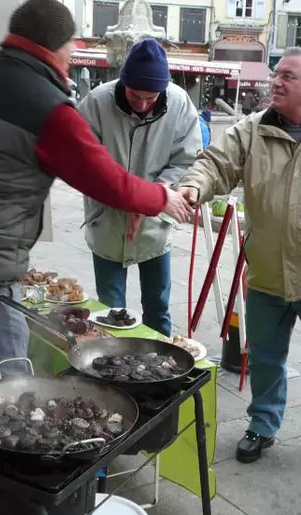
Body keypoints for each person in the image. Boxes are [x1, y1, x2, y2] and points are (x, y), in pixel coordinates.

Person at [0, 0, 193, 515]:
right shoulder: (48, 107)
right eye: (73, 47)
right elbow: (107, 181)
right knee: (5, 387)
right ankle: (14, 507)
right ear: (57, 47)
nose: (74, 57)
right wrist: (161, 198)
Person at [175, 47, 301, 473]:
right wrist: (194, 187)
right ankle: (262, 424)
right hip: (267, 274)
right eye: (276, 74)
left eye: (288, 76)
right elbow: (215, 164)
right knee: (265, 359)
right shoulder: (251, 129)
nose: (276, 82)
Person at [77, 39, 201, 337]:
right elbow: (85, 166)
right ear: (123, 83)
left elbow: (188, 159)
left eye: (151, 97)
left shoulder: (179, 102)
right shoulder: (96, 103)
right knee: (108, 310)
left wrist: (152, 197)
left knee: (158, 306)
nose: (143, 104)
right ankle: (110, 372)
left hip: (155, 226)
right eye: (135, 95)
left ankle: (162, 372)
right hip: (107, 221)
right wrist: (130, 201)